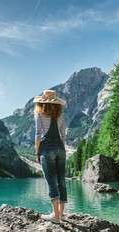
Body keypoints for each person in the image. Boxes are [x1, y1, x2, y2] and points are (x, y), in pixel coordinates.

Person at [33, 89, 67, 224]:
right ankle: (61, 213)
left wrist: (37, 152)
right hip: (60, 147)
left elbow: (37, 134)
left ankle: (55, 216)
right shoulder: (61, 115)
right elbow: (63, 134)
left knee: (51, 181)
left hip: (46, 148)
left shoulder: (39, 114)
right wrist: (62, 149)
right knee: (61, 181)